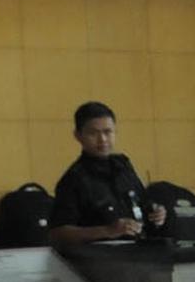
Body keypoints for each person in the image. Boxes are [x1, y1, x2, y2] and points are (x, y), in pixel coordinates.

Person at [49, 102, 165, 245]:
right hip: (100, 258)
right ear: (78, 136)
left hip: (139, 251)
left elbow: (143, 204)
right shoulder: (73, 179)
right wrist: (107, 231)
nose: (102, 139)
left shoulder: (123, 167)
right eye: (93, 133)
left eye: (108, 132)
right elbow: (58, 233)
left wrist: (157, 213)